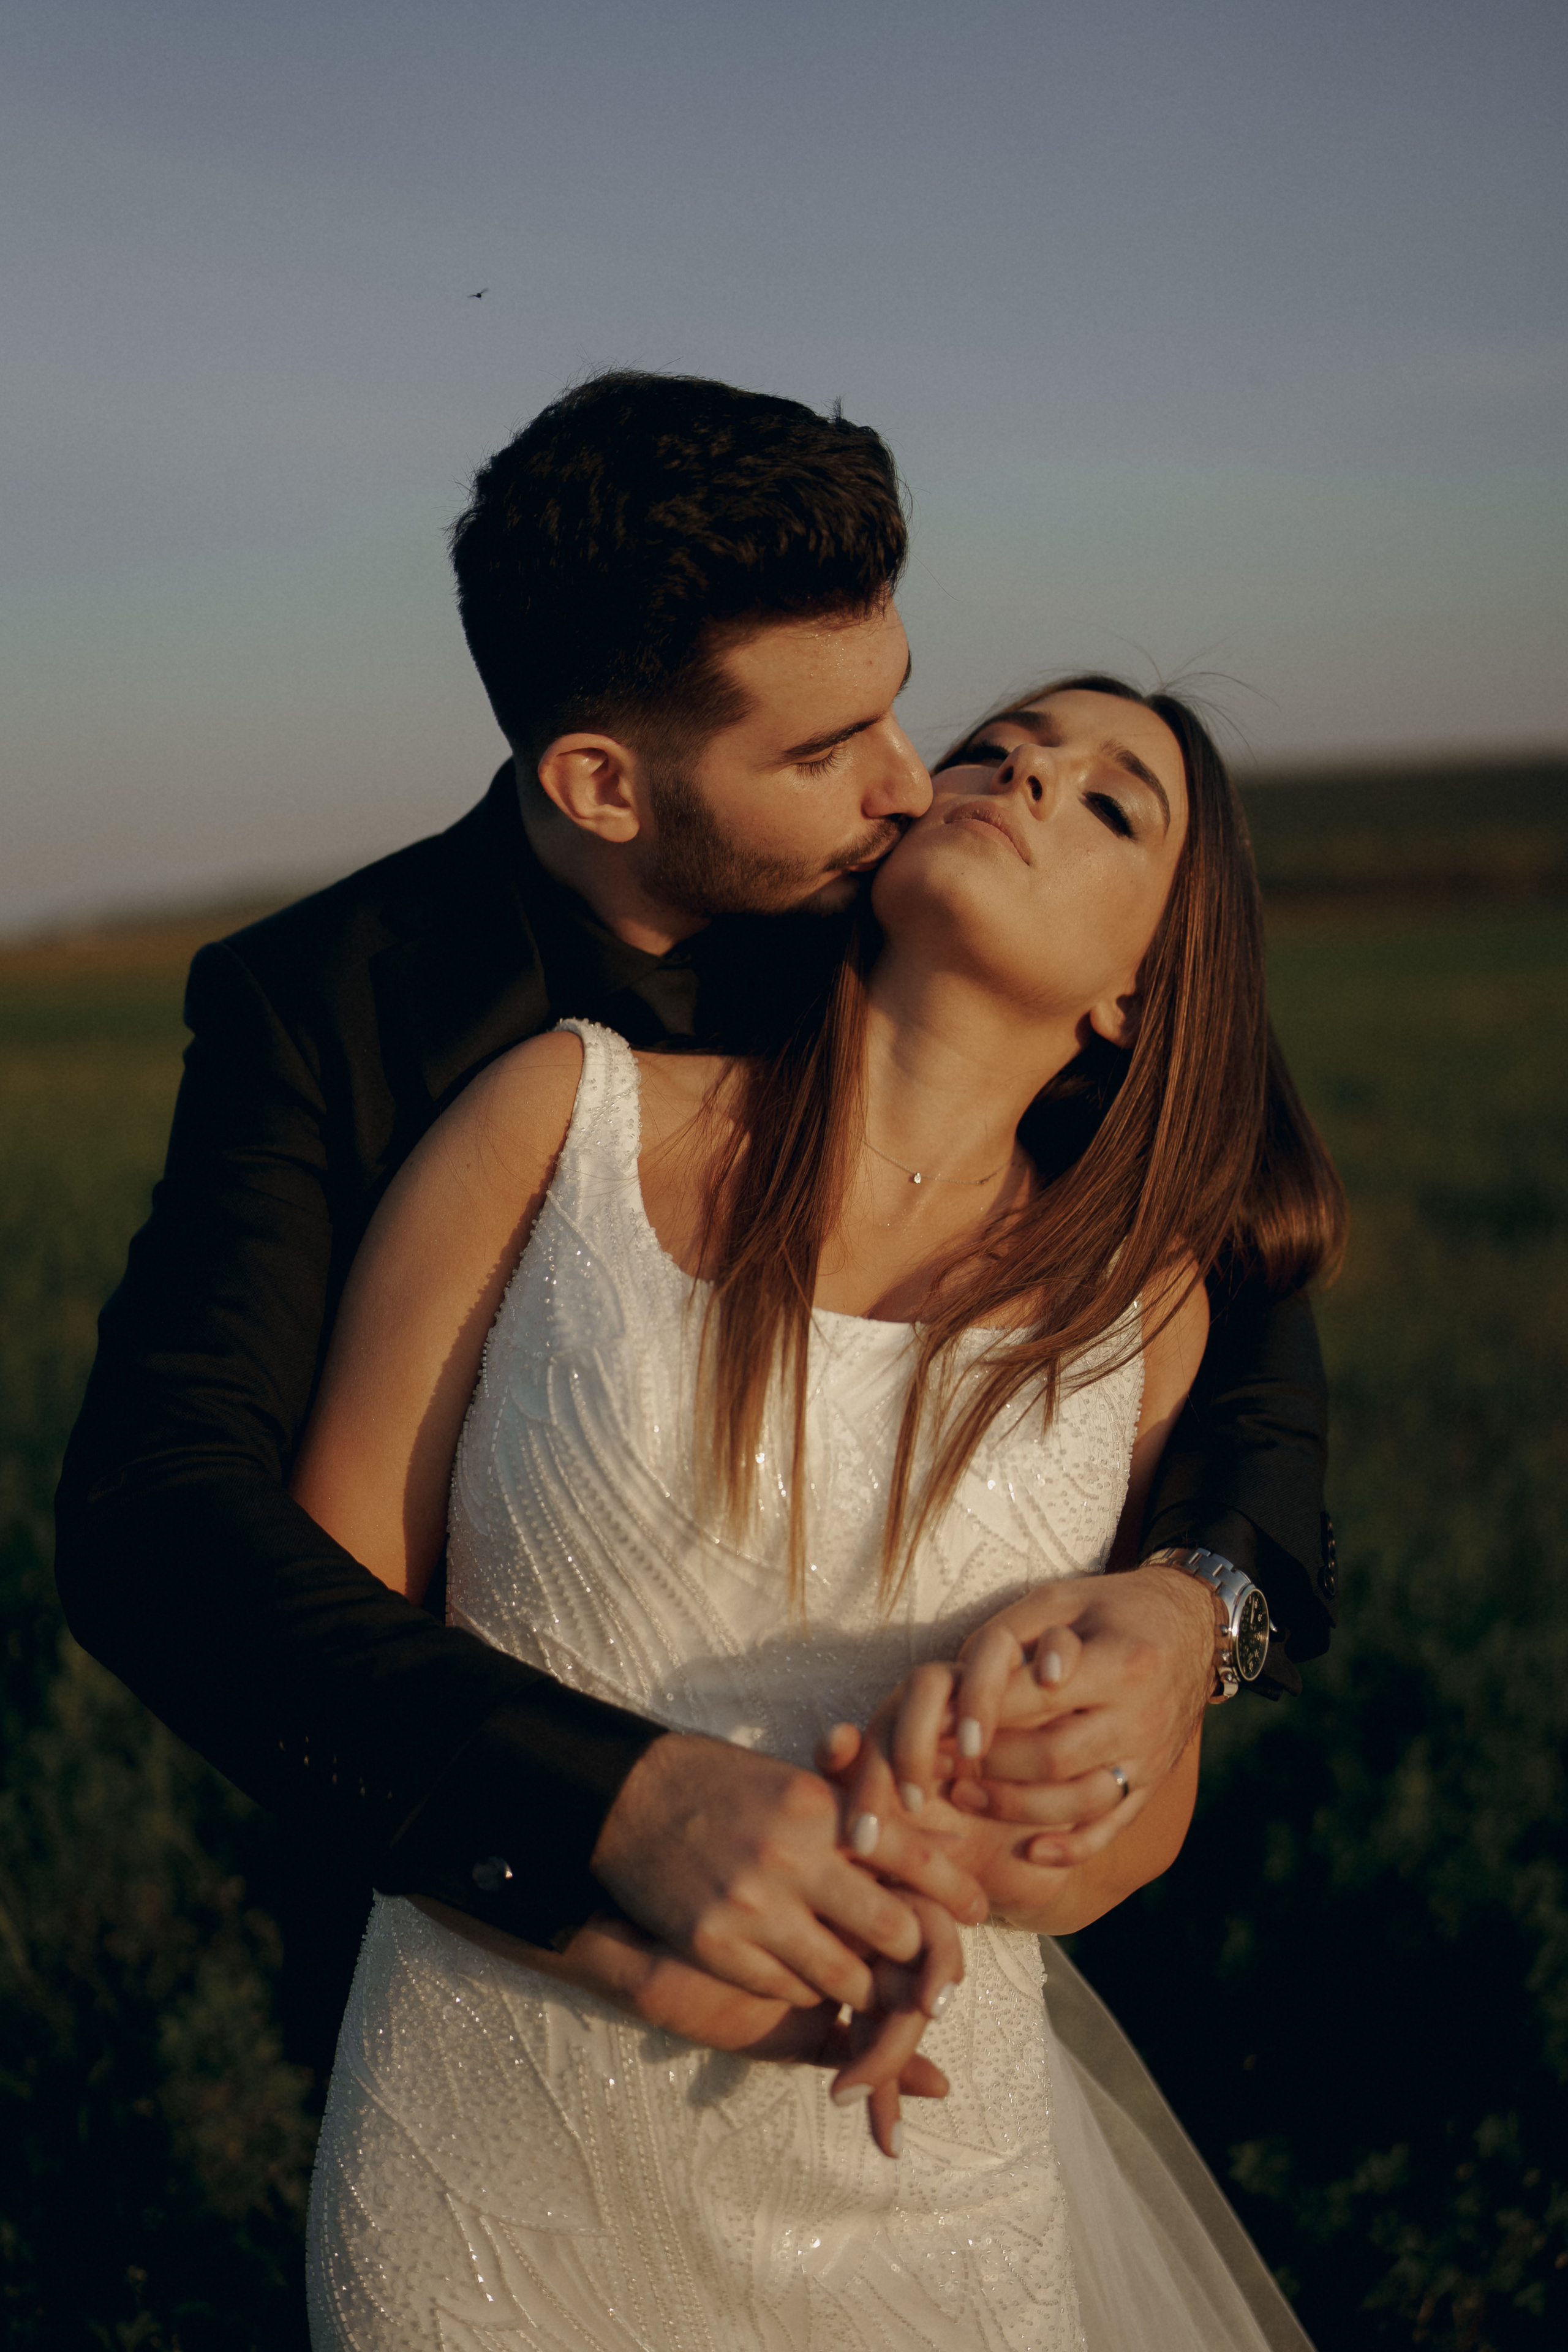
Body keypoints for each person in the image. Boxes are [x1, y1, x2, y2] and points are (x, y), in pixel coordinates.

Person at [54, 371, 1336, 2084]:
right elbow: (160, 1517)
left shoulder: (918, 925)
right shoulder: (331, 1007)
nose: (910, 787)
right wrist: (613, 1814)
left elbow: (1231, 1303)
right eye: (823, 751)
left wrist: (1201, 1610)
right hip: (474, 1927)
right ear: (601, 785)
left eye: (904, 709)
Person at [294, 673, 1344, 2347]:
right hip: (490, 2155)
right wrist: (608, 1900)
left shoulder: (1144, 1310)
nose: (1023, 779)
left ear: (1140, 999)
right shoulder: (560, 1120)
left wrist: (1022, 1802)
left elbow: (1128, 1841)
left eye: (1108, 802)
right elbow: (317, 1660)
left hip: (920, 2164)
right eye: (998, 748)